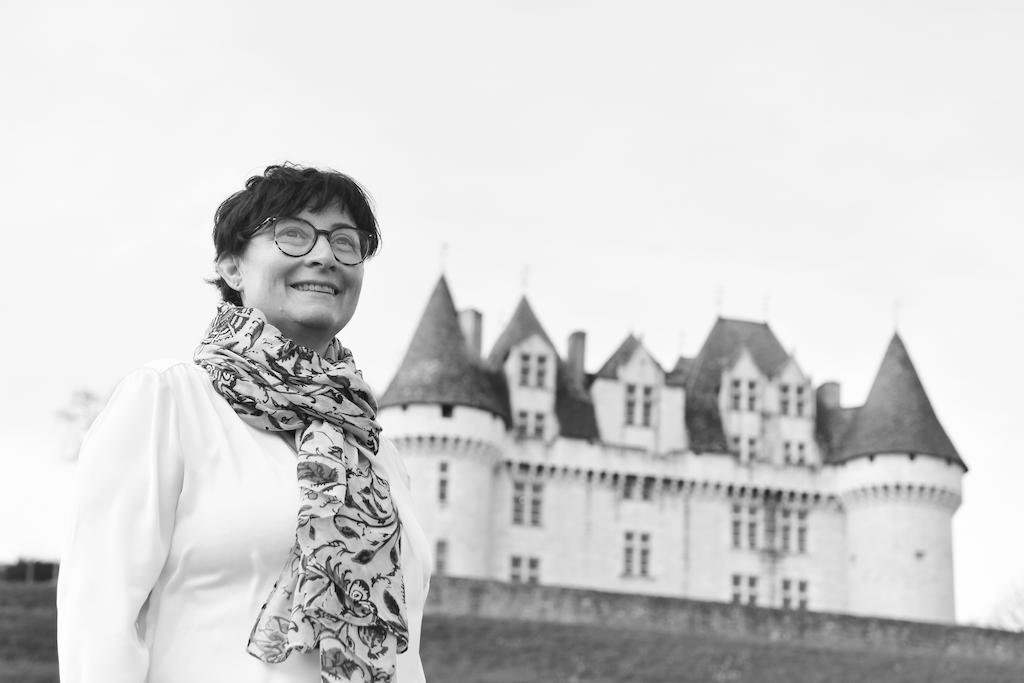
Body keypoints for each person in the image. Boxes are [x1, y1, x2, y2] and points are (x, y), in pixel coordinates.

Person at [57, 164, 431, 683]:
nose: (325, 256)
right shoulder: (170, 400)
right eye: (294, 235)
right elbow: (99, 619)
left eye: (346, 242)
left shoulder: (376, 451)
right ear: (232, 267)